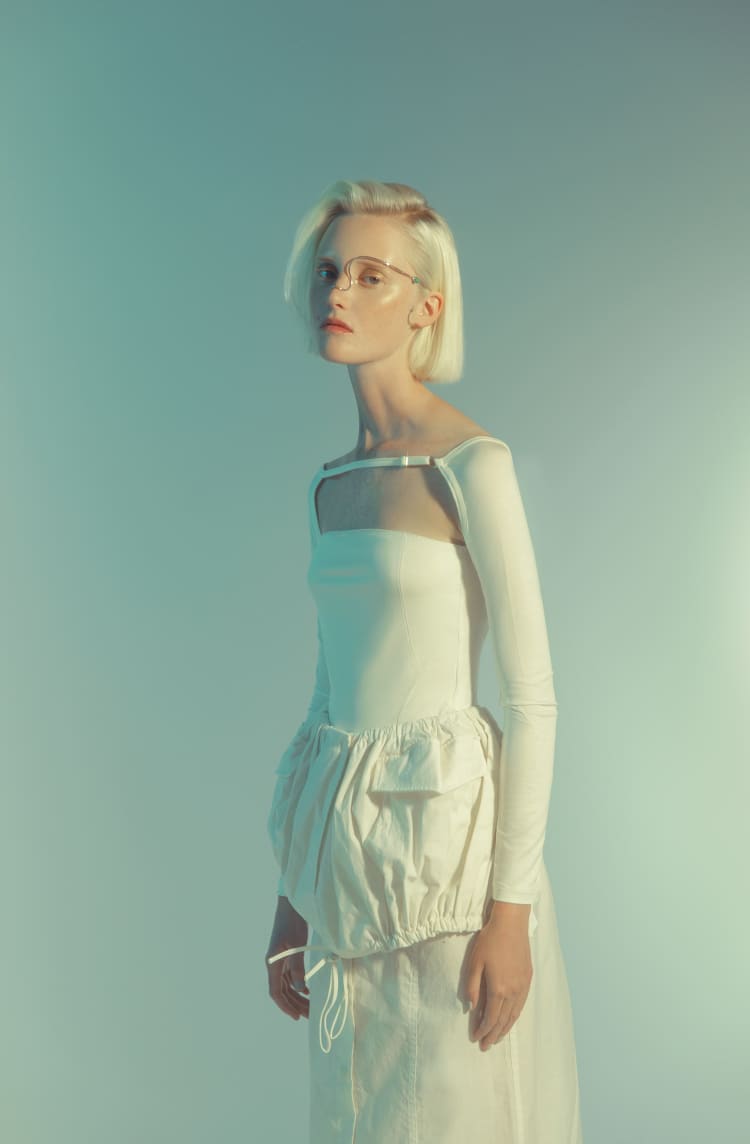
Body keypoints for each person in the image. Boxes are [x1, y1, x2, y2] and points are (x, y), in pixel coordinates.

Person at [264, 179, 583, 1142]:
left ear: (425, 306)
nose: (339, 292)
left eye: (372, 275)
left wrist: (511, 912)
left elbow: (533, 698)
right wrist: (293, 894)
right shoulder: (328, 488)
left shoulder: (471, 464)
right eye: (330, 271)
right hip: (344, 871)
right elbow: (330, 692)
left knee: (452, 1117)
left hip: (447, 861)